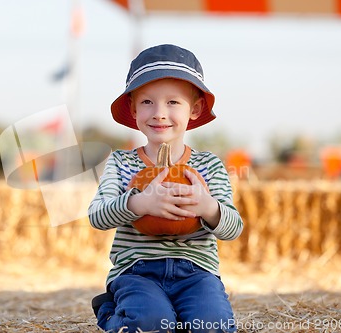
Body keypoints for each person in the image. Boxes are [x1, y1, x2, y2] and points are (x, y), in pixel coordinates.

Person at [88, 44, 243, 333]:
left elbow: (233, 228)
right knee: (151, 324)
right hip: (136, 273)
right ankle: (111, 313)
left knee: (213, 327)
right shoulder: (121, 163)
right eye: (147, 102)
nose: (159, 113)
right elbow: (96, 216)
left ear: (194, 109)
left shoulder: (209, 166)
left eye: (173, 102)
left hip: (197, 274)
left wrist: (207, 207)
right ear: (133, 108)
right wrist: (138, 204)